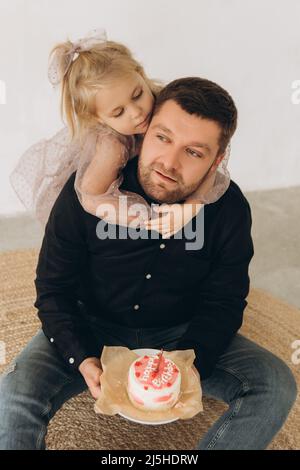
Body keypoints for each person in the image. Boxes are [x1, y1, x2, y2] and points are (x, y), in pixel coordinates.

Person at [0, 77, 296, 450]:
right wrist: (83, 357)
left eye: (194, 152)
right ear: (144, 131)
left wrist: (190, 365)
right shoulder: (90, 187)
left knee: (276, 383)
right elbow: (53, 287)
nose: (168, 163)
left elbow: (225, 300)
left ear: (217, 160)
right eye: (163, 137)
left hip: (179, 332)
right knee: (14, 393)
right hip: (90, 323)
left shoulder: (229, 207)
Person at [10, 29, 225, 238]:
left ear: (140, 74)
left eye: (137, 94)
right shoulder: (111, 146)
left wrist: (190, 209)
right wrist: (149, 220)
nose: (137, 112)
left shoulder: (164, 102)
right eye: (118, 112)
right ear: (98, 119)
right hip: (99, 196)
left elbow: (212, 159)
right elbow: (91, 199)